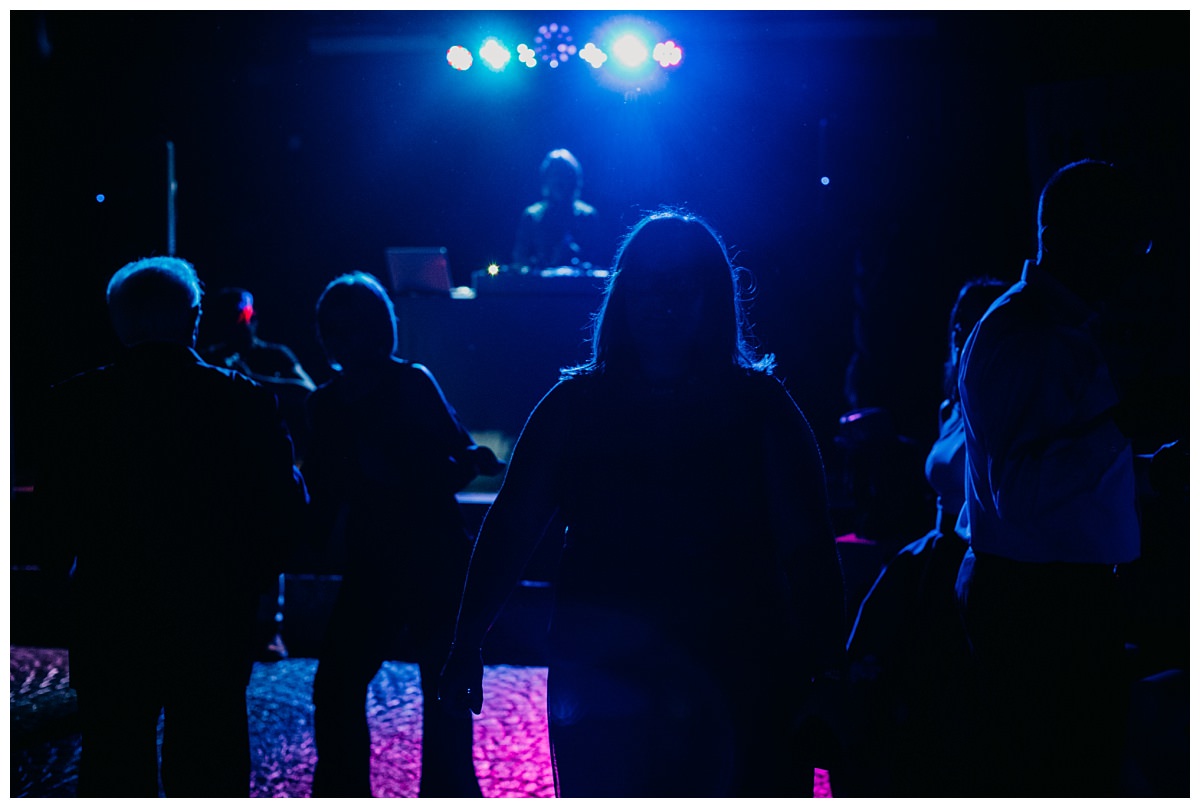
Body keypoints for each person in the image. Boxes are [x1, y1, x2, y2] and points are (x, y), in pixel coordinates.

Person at [441, 208, 847, 797]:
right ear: (624, 293)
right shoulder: (574, 407)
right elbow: (512, 525)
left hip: (736, 665)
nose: (663, 298)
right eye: (650, 282)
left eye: (682, 283)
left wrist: (829, 671)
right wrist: (466, 640)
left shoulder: (762, 410)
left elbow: (809, 548)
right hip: (612, 672)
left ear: (713, 298)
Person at [35, 256, 308, 797]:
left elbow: (53, 517)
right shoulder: (243, 400)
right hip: (212, 610)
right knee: (209, 762)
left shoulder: (74, 404)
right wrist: (251, 582)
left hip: (110, 610)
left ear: (118, 320)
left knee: (114, 761)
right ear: (195, 318)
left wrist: (62, 586)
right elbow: (286, 509)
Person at [954, 159, 1170, 796]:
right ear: (1083, 237)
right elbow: (1017, 494)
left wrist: (1145, 471)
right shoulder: (1031, 337)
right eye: (1129, 243)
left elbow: (1042, 477)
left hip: (1046, 601)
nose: (1137, 261)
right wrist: (1123, 426)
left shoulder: (1044, 328)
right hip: (1044, 611)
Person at [303, 272, 503, 798]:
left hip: (415, 559)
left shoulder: (371, 393)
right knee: (350, 686)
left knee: (359, 686)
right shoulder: (386, 388)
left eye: (345, 329)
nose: (337, 339)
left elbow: (458, 462)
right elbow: (464, 461)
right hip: (408, 556)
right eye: (333, 329)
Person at [839, 276, 1007, 796]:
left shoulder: (996, 400)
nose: (961, 333)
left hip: (972, 553)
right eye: (956, 323)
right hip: (935, 547)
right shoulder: (951, 402)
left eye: (972, 322)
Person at [200, 286, 318, 660]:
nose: (241, 326)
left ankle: (271, 629)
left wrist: (251, 379)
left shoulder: (273, 355)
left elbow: (308, 390)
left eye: (245, 317)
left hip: (267, 464)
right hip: (223, 465)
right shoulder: (212, 357)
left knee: (269, 544)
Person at [512, 148, 601, 271]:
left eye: (564, 175)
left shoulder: (587, 216)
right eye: (555, 175)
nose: (560, 181)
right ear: (546, 179)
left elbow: (599, 259)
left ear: (574, 180)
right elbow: (520, 260)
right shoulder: (531, 217)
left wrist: (574, 255)